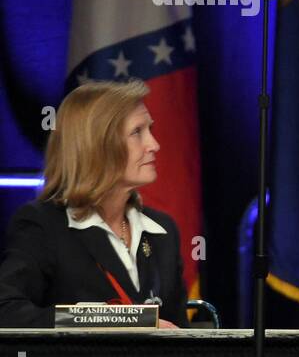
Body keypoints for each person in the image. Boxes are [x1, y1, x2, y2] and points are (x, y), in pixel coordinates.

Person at [0, 81, 189, 328]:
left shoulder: (163, 230)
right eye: (137, 132)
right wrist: (120, 321)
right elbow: (7, 311)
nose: (154, 144)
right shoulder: (43, 225)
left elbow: (181, 336)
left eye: (149, 130)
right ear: (97, 144)